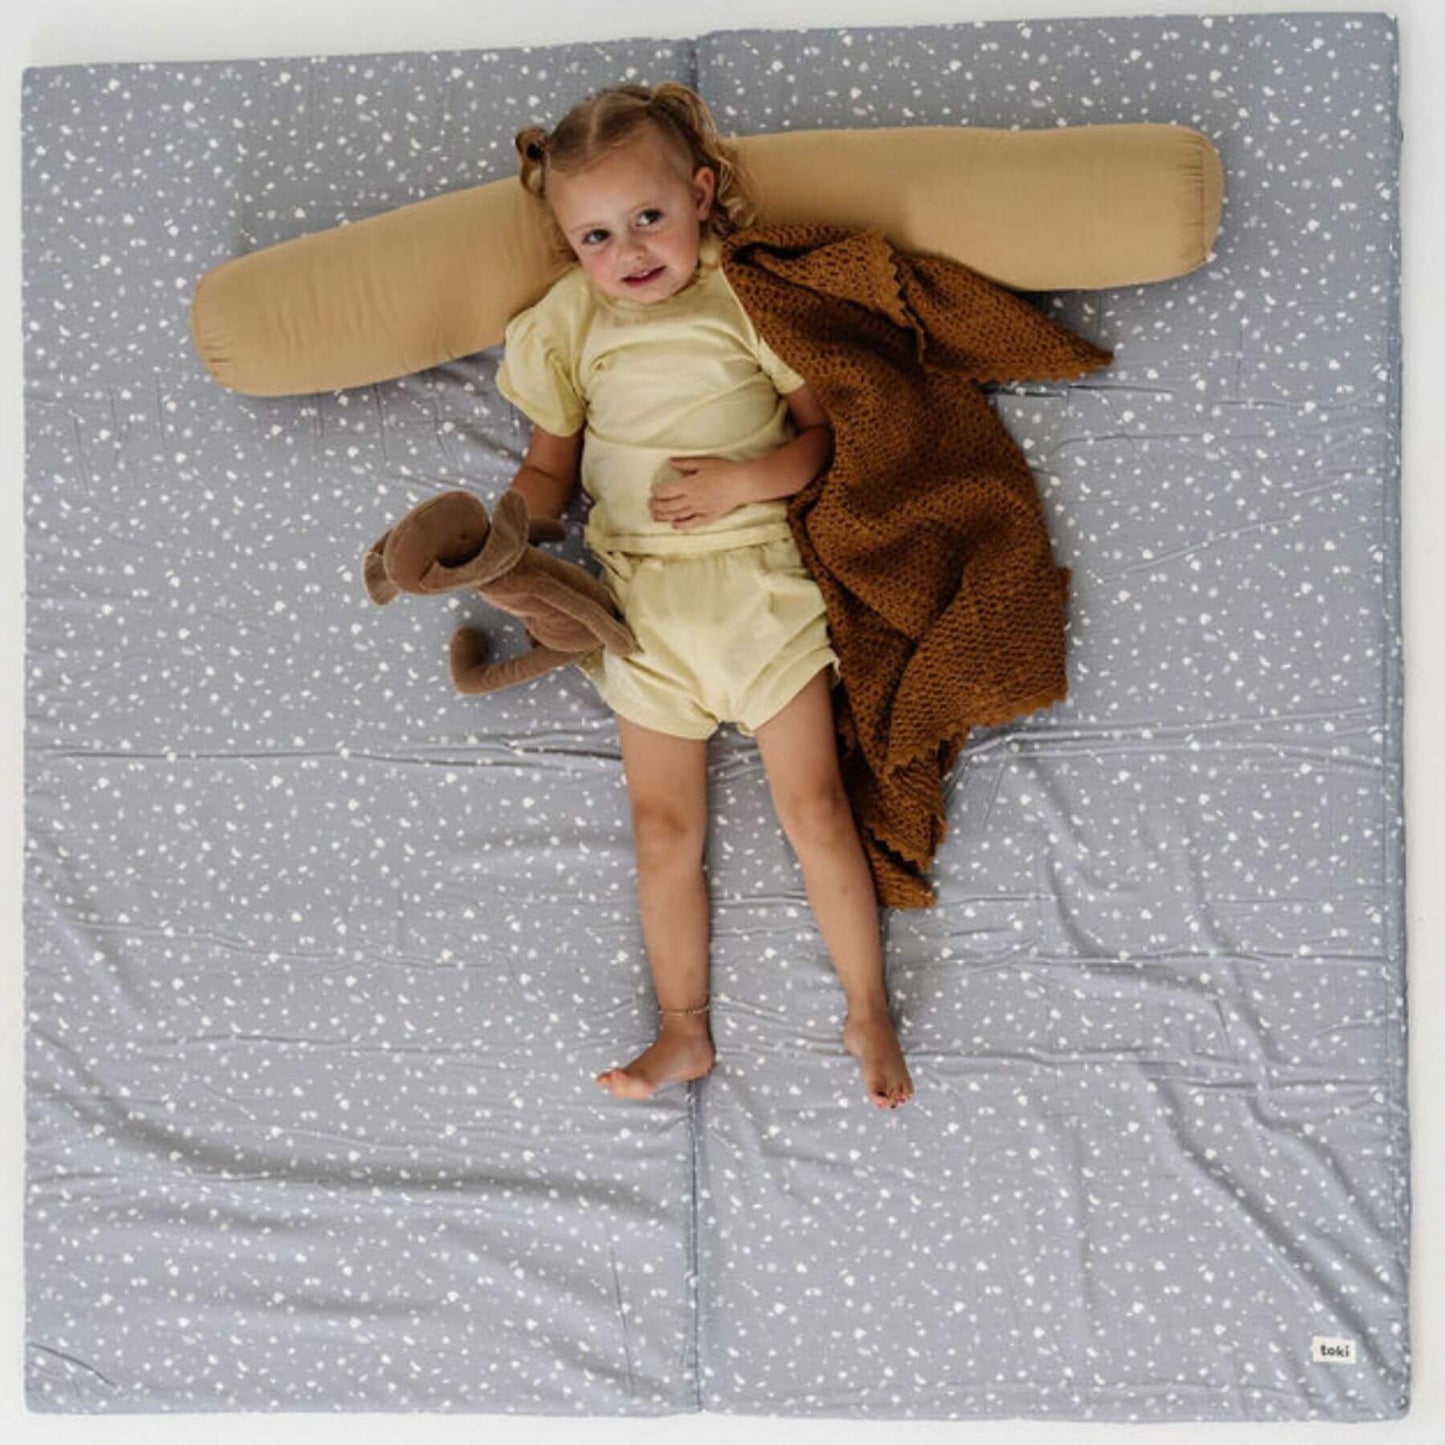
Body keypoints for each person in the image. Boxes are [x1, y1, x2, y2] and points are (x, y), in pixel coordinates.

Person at [495, 82, 913, 1111]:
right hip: (641, 611)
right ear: (565, 242)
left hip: (754, 590)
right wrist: (505, 533)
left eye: (648, 218)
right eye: (595, 235)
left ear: (700, 192)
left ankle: (866, 1004)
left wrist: (744, 477)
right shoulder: (569, 324)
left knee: (814, 808)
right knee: (659, 830)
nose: (628, 251)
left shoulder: (742, 297)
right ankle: (682, 1030)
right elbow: (549, 468)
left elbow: (818, 439)